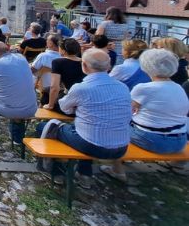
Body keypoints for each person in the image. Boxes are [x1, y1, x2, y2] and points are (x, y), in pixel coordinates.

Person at [45, 49, 131, 188]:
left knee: (48, 127)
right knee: (84, 130)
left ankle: (58, 172)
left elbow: (64, 108)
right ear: (109, 66)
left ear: (84, 66)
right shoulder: (123, 87)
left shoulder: (81, 88)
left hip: (92, 145)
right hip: (121, 147)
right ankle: (85, 174)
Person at [100, 48, 189, 182]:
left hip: (152, 140)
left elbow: (124, 112)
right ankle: (178, 163)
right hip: (179, 141)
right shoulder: (179, 88)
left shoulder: (144, 88)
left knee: (112, 127)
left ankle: (117, 170)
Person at [44, 38, 85, 110]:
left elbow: (54, 87)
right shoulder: (85, 61)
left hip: (71, 100)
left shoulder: (58, 62)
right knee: (46, 90)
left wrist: (50, 105)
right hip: (85, 98)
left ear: (63, 50)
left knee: (46, 97)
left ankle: (47, 118)